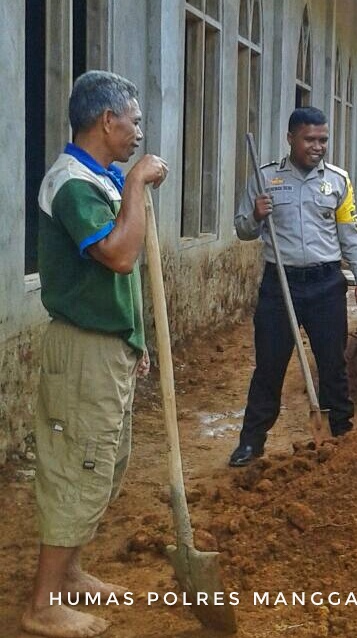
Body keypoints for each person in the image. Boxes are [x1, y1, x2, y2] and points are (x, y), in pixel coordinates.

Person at [23, 70, 168, 638]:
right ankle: (41, 604)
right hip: (81, 350)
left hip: (108, 347)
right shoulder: (71, 183)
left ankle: (70, 573)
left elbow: (121, 281)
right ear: (107, 120)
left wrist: (134, 339)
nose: (137, 132)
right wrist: (135, 184)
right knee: (77, 464)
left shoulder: (99, 178)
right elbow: (118, 257)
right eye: (133, 121)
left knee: (103, 461)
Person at [230, 106, 357, 466]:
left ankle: (341, 431)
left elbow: (349, 234)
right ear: (291, 138)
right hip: (280, 285)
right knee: (269, 366)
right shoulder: (265, 179)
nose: (318, 146)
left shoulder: (338, 181)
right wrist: (257, 215)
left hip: (325, 284)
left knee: (333, 364)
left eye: (323, 139)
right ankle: (251, 443)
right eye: (310, 139)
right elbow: (243, 230)